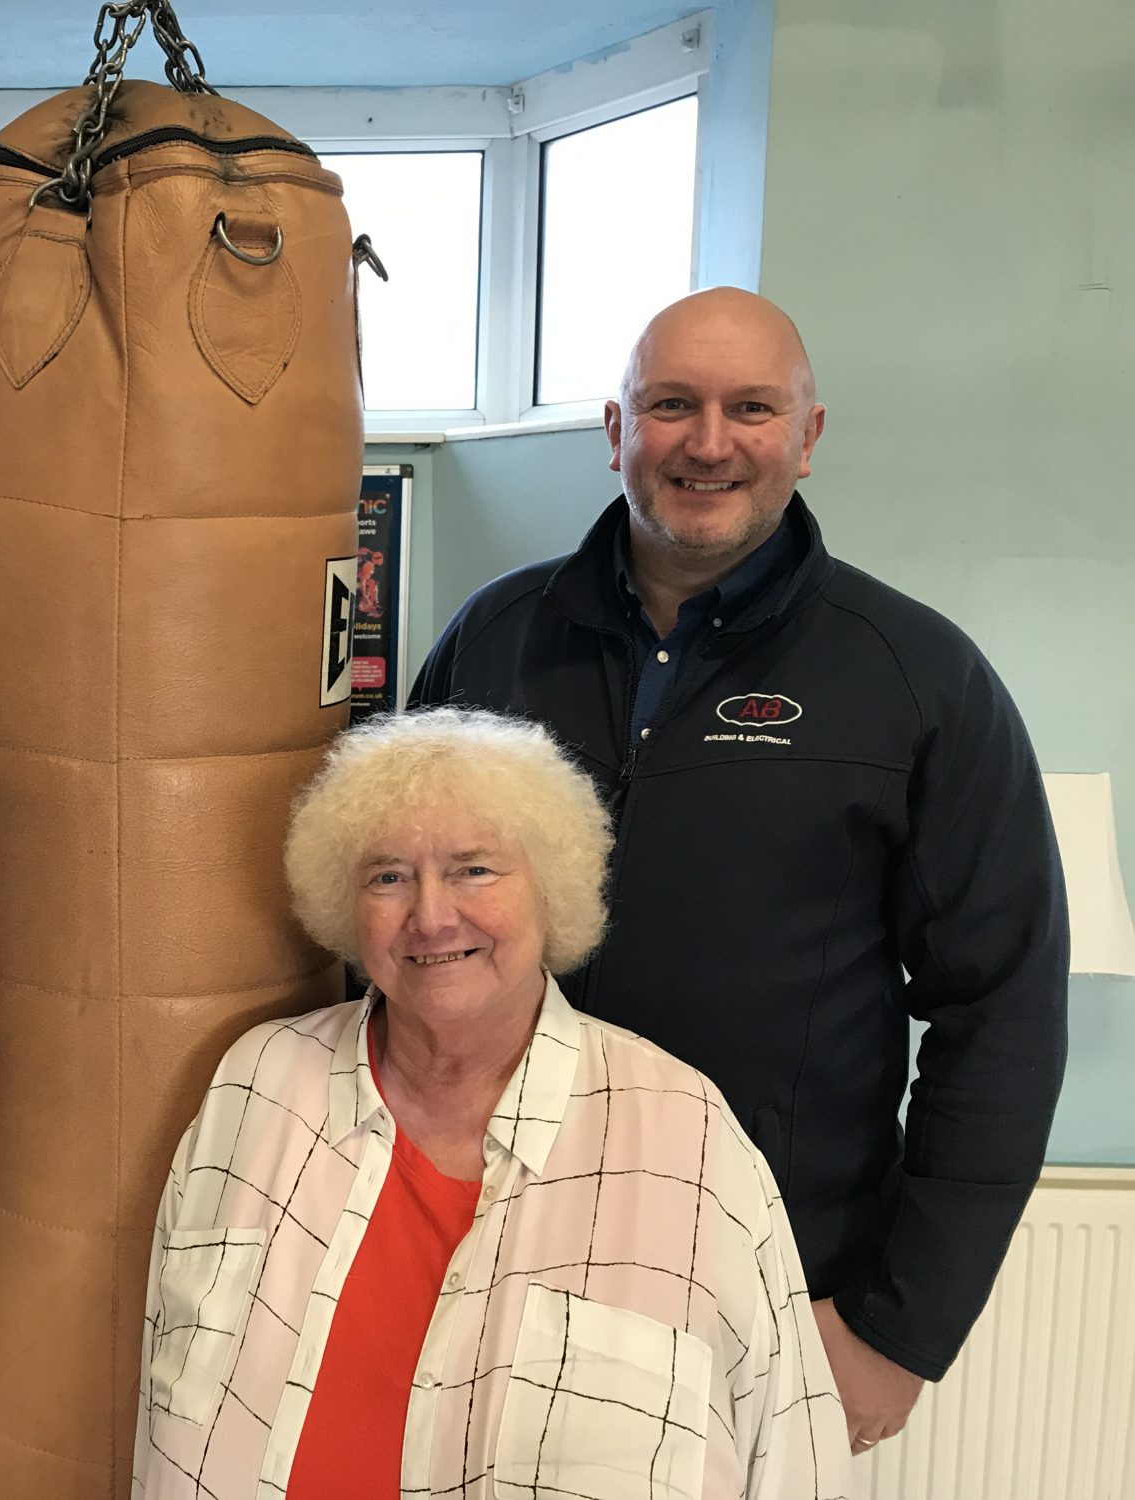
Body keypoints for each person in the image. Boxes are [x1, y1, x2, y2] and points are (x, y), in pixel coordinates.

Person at [408, 287, 1068, 1454]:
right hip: (477, 1247)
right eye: (670, 405)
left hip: (757, 1284)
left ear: (805, 438)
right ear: (615, 430)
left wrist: (899, 1329)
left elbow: (1002, 1009)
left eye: (749, 409)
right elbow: (389, 927)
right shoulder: (493, 639)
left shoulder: (915, 678)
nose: (707, 443)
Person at [133, 708, 849, 1499]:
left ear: (551, 888)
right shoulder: (257, 1084)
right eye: (388, 876)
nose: (431, 916)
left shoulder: (687, 1136)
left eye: (474, 869)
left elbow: (795, 1457)